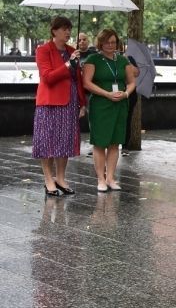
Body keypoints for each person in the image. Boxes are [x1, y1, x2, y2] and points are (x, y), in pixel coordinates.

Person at [32, 16, 87, 196]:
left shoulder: (73, 51)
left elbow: (77, 80)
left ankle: (61, 179)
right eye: (64, 29)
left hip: (69, 102)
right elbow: (47, 77)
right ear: (54, 31)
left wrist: (82, 103)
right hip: (49, 102)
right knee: (48, 141)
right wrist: (68, 64)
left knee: (65, 141)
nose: (67, 32)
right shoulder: (43, 50)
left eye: (69, 29)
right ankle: (49, 179)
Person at [82, 29, 136, 192]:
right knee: (100, 142)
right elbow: (86, 83)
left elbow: (132, 82)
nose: (110, 45)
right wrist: (106, 93)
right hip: (101, 104)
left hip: (119, 104)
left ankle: (111, 177)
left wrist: (126, 93)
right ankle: (100, 179)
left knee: (115, 142)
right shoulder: (93, 59)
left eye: (113, 42)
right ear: (100, 43)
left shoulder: (122, 60)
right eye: (107, 42)